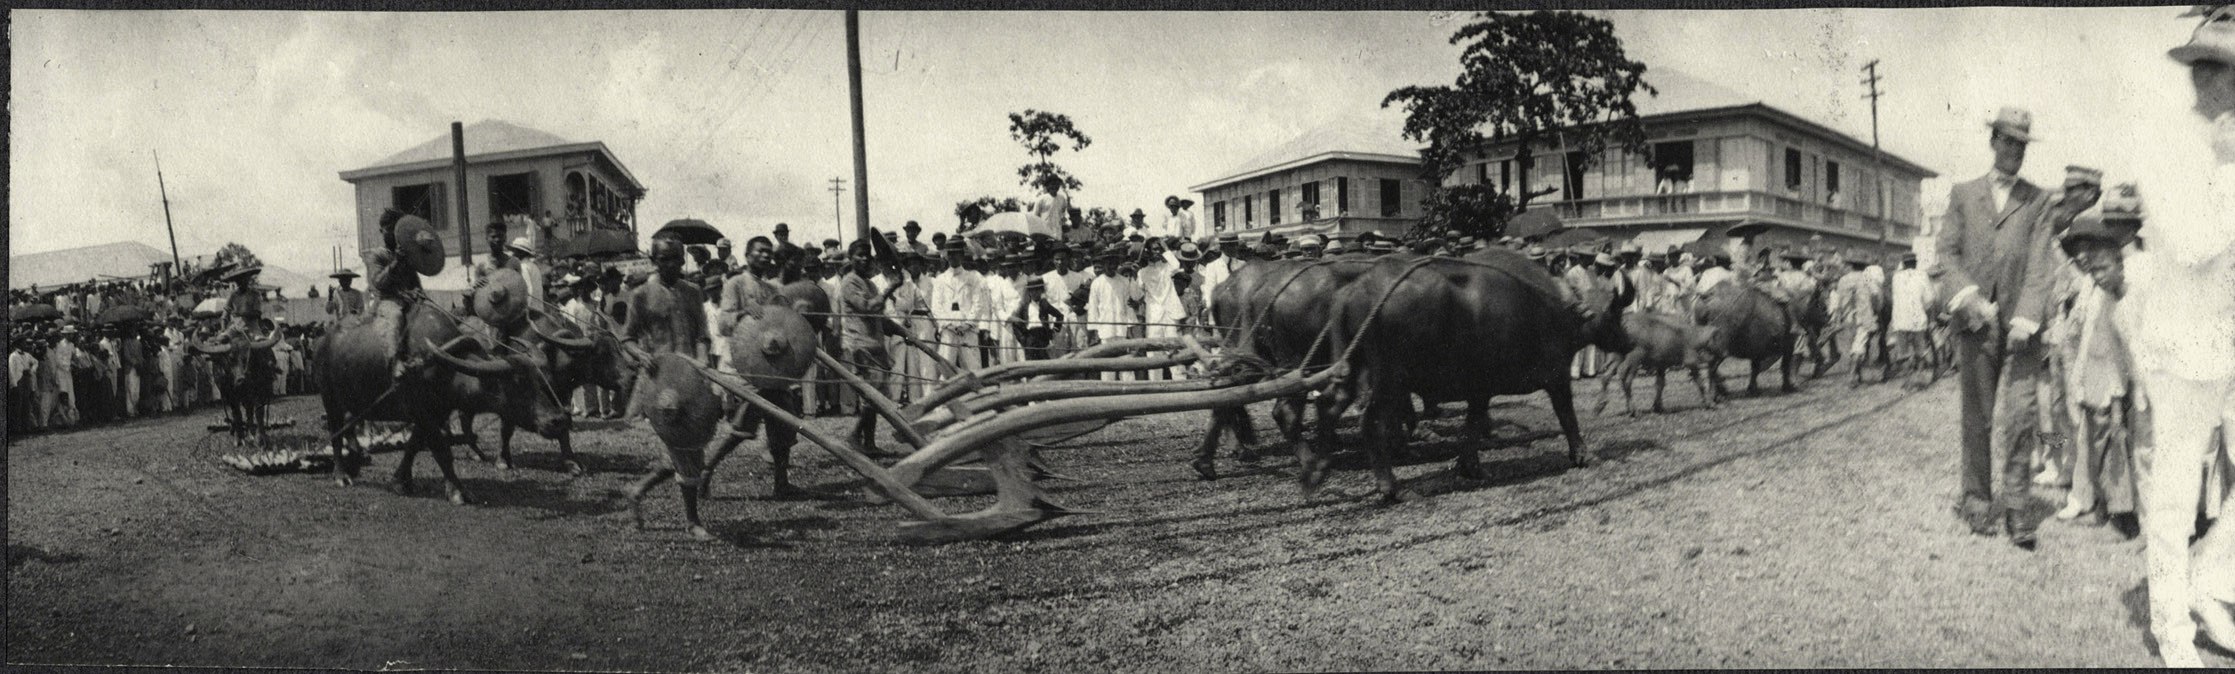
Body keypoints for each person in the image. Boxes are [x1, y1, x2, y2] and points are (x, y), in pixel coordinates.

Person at [2117, 13, 2235, 663]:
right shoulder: (2165, 145)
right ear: (2203, 74)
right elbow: (2192, 244)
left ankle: (2209, 580)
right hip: (2181, 341)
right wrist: (2225, 171)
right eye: (2220, 70)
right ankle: (2171, 626)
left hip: (2230, 337)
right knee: (2176, 488)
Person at [1929, 106, 2056, 546]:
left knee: (2022, 416)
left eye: (2021, 144)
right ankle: (1978, 501)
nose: (2014, 150)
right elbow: (1945, 254)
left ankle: (2019, 509)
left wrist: (2027, 316)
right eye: (2007, 141)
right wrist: (1968, 299)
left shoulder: (2039, 200)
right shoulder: (1963, 194)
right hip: (1976, 322)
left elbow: (2042, 262)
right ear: (1993, 142)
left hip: (2023, 327)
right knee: (1977, 417)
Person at [619, 237, 715, 540]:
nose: (672, 264)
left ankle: (636, 490)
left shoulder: (693, 292)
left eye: (676, 258)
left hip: (691, 379)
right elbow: (626, 339)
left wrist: (701, 361)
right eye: (665, 259)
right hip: (660, 383)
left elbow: (703, 334)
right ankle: (692, 521)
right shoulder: (641, 295)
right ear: (653, 260)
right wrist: (640, 354)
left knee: (690, 447)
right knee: (685, 449)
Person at [838, 240, 897, 457]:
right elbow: (867, 308)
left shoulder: (870, 284)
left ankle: (869, 444)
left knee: (876, 393)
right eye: (859, 255)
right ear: (850, 258)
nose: (864, 259)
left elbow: (880, 316)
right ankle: (854, 435)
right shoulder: (849, 283)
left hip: (875, 344)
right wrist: (892, 286)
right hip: (860, 345)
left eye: (867, 256)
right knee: (872, 394)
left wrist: (902, 333)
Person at [1888, 253, 1935, 388]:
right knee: (1920, 349)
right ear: (1915, 263)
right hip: (1917, 317)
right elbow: (1930, 298)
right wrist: (1924, 308)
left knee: (1903, 351)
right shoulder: (1922, 275)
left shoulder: (1896, 277)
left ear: (1903, 264)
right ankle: (1919, 376)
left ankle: (1908, 378)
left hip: (1900, 318)